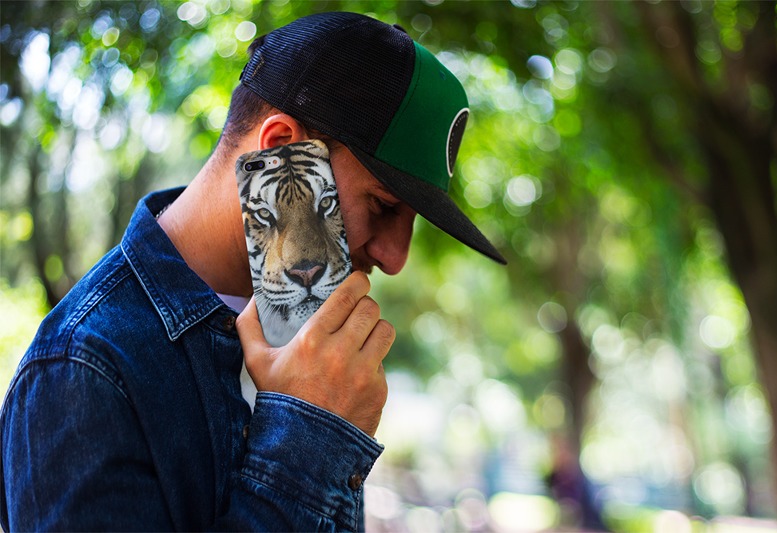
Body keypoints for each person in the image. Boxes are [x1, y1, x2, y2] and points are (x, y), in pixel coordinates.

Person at [0, 11, 505, 531]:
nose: (395, 258)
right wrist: (310, 433)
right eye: (382, 205)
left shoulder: (305, 336)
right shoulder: (82, 369)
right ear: (282, 149)